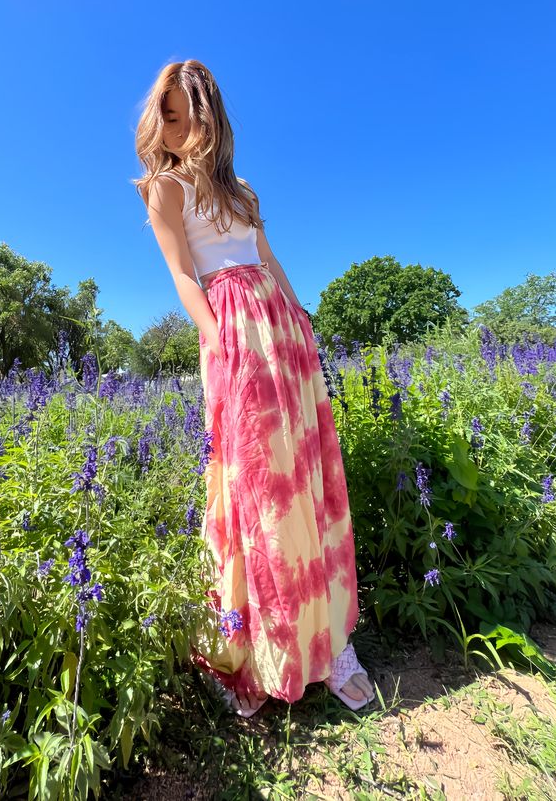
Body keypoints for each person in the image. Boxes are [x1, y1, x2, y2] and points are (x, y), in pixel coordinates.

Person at [135, 60, 375, 718]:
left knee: (305, 483)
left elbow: (269, 260)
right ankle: (261, 648)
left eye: (196, 112)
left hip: (280, 331)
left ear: (214, 114)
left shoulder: (244, 190)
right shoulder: (164, 190)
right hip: (233, 330)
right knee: (254, 489)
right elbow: (185, 276)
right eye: (175, 115)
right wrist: (217, 340)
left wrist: (305, 325)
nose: (187, 128)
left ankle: (328, 646)